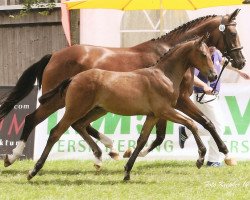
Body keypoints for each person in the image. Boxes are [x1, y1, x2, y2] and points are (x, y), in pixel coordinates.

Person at [179, 46, 250, 167]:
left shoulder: (216, 52)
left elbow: (223, 62)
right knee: (218, 127)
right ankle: (213, 160)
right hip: (203, 97)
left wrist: (239, 71)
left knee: (212, 127)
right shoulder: (201, 57)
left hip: (212, 97)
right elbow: (191, 76)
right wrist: (204, 86)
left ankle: (186, 131)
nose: (213, 48)